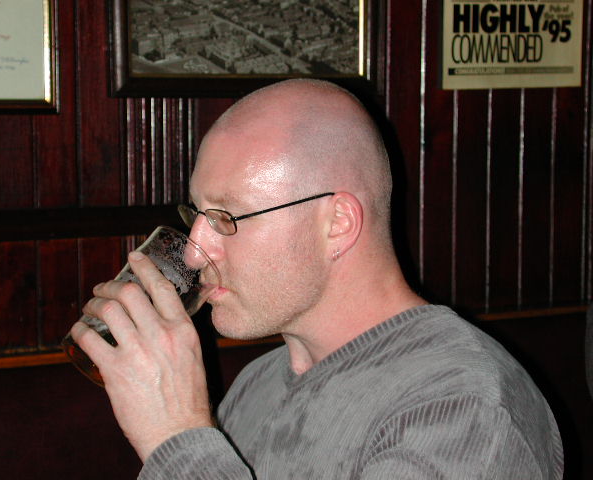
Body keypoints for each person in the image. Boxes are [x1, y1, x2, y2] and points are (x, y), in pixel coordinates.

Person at [71, 79, 564, 479]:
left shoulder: (463, 407)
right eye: (198, 213)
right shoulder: (260, 381)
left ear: (338, 224)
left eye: (227, 217)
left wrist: (177, 437)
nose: (196, 253)